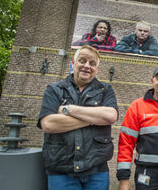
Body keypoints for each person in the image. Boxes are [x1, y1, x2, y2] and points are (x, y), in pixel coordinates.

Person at [37, 45, 118, 190]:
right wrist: (95, 118)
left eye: (92, 63)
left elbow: (111, 116)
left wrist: (69, 109)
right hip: (61, 170)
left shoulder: (105, 90)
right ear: (73, 63)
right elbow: (49, 124)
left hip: (97, 171)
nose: (87, 66)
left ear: (97, 69)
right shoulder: (54, 90)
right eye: (82, 61)